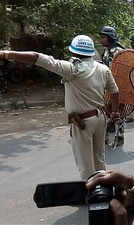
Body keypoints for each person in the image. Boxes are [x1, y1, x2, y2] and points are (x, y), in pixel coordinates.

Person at [0, 35, 120, 180]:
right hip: (101, 118)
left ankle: (91, 193)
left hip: (83, 122)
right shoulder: (103, 68)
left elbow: (37, 58)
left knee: (85, 164)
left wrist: (6, 54)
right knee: (99, 158)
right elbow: (115, 92)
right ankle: (103, 189)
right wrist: (114, 112)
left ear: (74, 52)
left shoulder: (71, 69)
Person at [99, 26, 126, 147]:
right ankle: (104, 137)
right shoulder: (105, 51)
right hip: (106, 87)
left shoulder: (118, 52)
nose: (101, 39)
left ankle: (120, 137)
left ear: (110, 38)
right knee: (106, 112)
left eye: (103, 37)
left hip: (117, 88)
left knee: (118, 113)